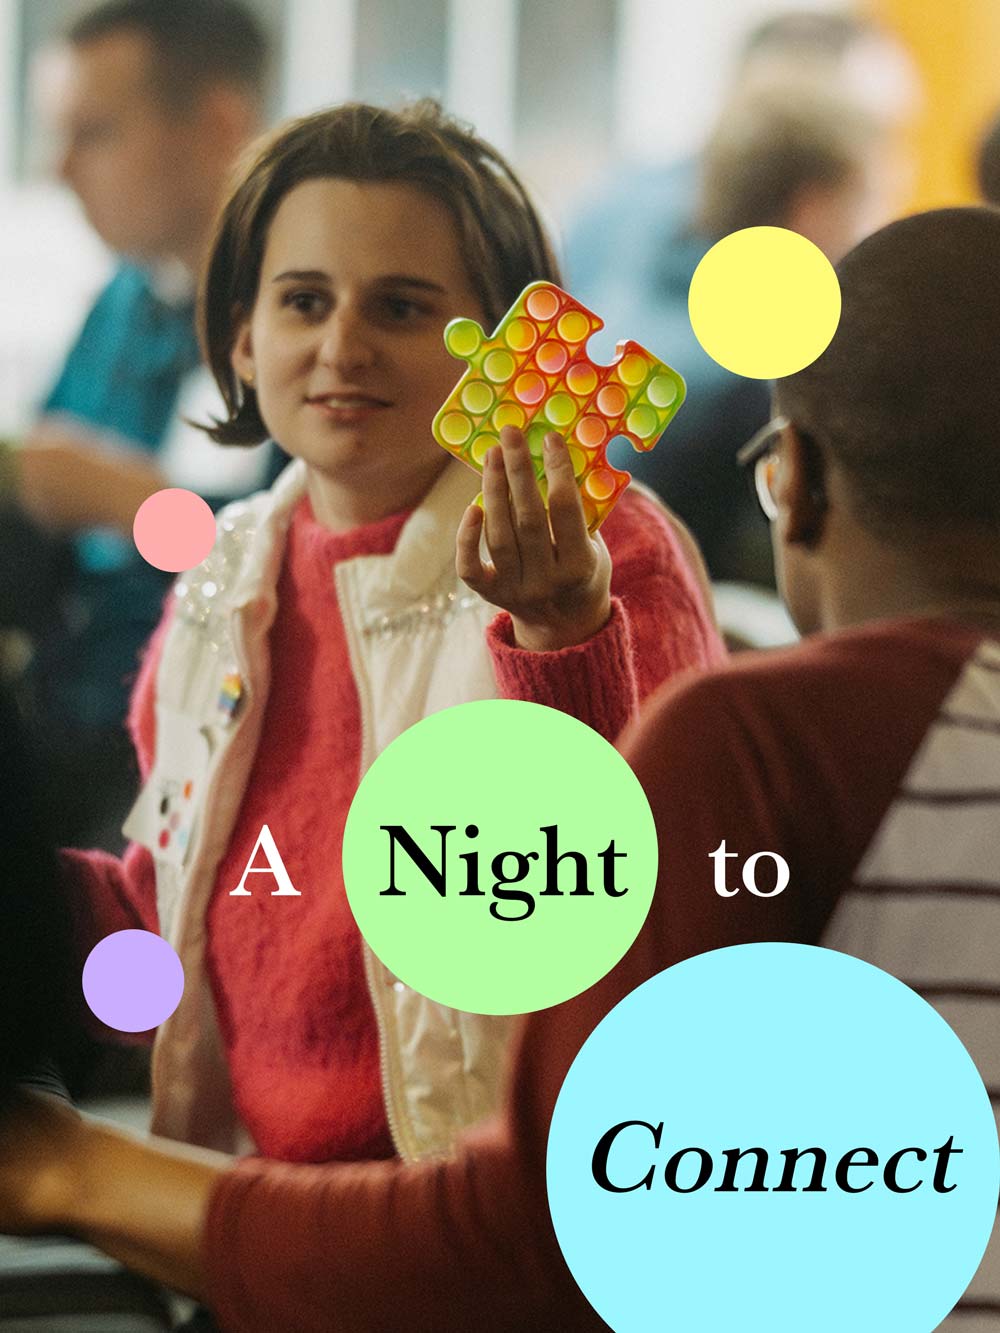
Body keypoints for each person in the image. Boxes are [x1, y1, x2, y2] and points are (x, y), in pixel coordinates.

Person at [0, 100, 722, 1329]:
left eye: (399, 307)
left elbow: (643, 928)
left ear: (503, 352)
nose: (342, 345)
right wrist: (30, 917)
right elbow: (166, 922)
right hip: (259, 1230)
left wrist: (558, 640)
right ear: (237, 340)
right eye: (302, 301)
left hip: (490, 1242)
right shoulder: (225, 575)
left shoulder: (602, 555)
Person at [0, 0, 277, 851]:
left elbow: (299, 574)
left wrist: (130, 502)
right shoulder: (126, 300)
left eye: (96, 134)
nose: (62, 171)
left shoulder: (306, 327)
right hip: (61, 717)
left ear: (218, 125)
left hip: (202, 743)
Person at [565, 10, 918, 585]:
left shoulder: (640, 278)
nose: (883, 229)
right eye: (873, 206)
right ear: (815, 210)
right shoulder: (756, 382)